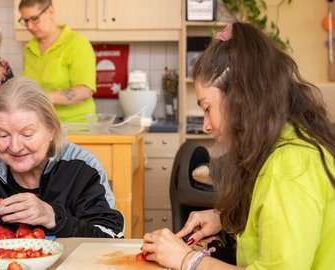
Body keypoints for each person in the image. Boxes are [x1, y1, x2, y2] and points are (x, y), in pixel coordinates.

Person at [141, 22, 335, 269]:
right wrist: (227, 220)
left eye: (208, 108)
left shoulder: (289, 168)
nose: (206, 126)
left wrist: (188, 260)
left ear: (240, 97)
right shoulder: (290, 145)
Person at [0, 76, 124, 238]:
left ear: (51, 130)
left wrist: (53, 216)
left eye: (27, 134)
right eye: (3, 135)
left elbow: (111, 236)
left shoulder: (82, 167)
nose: (15, 147)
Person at [18, 0, 97, 124]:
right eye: (25, 21)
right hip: (43, 125)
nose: (29, 27)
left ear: (50, 11)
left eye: (34, 19)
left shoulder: (77, 44)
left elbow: (85, 90)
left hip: (77, 126)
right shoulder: (29, 49)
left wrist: (44, 97)